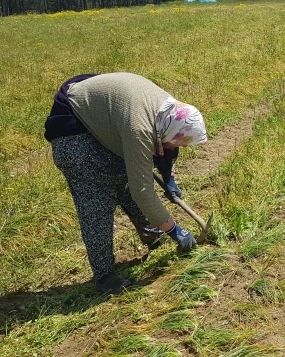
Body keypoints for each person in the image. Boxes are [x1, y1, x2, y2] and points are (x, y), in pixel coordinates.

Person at [44, 73, 207, 294]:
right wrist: (175, 230)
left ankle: (152, 233)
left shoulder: (170, 112)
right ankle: (105, 276)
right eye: (180, 141)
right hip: (73, 130)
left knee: (124, 176)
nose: (182, 147)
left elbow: (167, 146)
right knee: (97, 201)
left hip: (105, 119)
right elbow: (142, 190)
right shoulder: (140, 128)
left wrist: (169, 178)